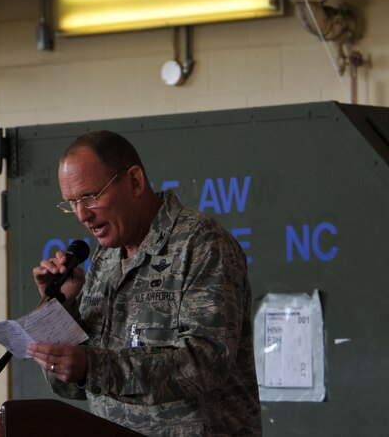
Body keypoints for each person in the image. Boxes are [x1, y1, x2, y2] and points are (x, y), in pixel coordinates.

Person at [26, 129, 261, 436]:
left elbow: (206, 363)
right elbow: (73, 388)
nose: (82, 215)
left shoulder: (200, 243)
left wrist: (93, 367)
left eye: (90, 196)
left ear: (134, 181)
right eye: (71, 202)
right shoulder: (105, 259)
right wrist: (60, 307)